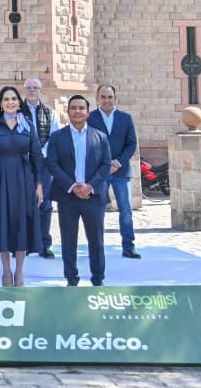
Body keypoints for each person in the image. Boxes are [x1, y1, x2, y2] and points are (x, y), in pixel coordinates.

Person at [0, 86, 43, 286]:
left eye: (13, 99)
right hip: (0, 179)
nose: (10, 102)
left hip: (24, 179)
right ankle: (6, 272)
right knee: (3, 223)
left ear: (19, 102)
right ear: (0, 103)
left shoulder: (28, 125)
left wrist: (39, 185)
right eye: (6, 99)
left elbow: (37, 156)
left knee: (22, 222)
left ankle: (20, 272)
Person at [47, 95, 111, 286]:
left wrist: (90, 186)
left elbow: (106, 164)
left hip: (93, 196)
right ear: (68, 112)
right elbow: (52, 164)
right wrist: (72, 186)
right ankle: (71, 278)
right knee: (68, 240)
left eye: (81, 108)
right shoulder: (57, 137)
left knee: (96, 240)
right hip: (68, 197)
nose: (77, 111)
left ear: (88, 112)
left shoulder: (100, 137)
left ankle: (98, 279)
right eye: (73, 108)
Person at [88, 84, 140, 259]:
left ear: (115, 98)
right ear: (97, 99)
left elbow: (131, 144)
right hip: (99, 173)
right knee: (98, 211)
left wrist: (118, 162)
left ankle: (128, 246)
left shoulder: (125, 118)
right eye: (103, 97)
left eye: (110, 97)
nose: (107, 100)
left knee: (125, 210)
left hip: (121, 171)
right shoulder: (90, 118)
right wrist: (104, 164)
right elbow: (87, 144)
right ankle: (97, 247)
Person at [22, 77, 59, 259]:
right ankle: (24, 244)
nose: (32, 90)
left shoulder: (50, 113)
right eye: (29, 87)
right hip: (23, 163)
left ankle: (44, 244)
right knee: (23, 205)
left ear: (40, 90)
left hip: (43, 164)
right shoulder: (17, 112)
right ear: (24, 90)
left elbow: (54, 137)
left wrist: (40, 153)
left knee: (45, 204)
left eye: (35, 87)